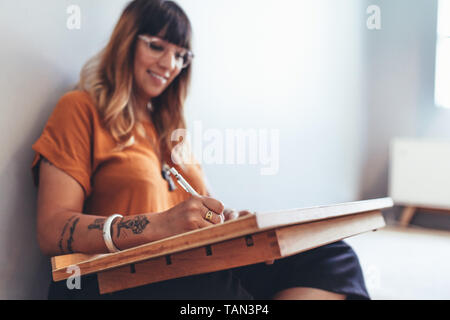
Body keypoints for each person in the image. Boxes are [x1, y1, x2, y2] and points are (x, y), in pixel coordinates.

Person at [31, 0, 369, 300]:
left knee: (334, 259)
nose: (170, 64)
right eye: (156, 46)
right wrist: (158, 226)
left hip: (185, 264)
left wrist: (233, 227)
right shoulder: (80, 108)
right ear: (125, 43)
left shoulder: (169, 131)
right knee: (215, 291)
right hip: (109, 276)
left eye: (180, 55)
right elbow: (51, 230)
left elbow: (202, 216)